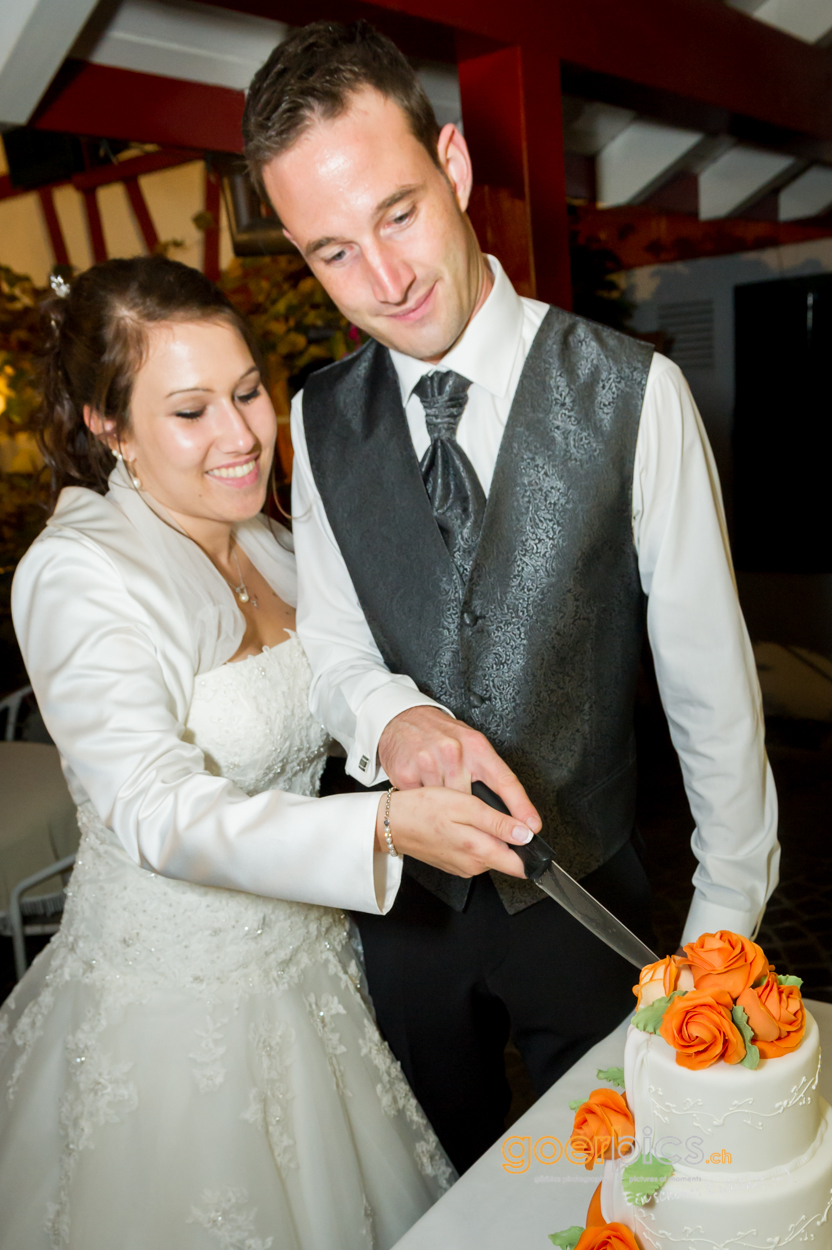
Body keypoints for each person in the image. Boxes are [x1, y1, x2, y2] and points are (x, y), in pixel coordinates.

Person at [243, 21, 780, 1173]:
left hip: (591, 915)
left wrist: (719, 937)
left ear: (454, 163)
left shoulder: (640, 393)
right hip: (404, 919)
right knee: (436, 1185)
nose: (381, 282)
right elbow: (335, 644)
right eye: (331, 252)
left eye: (396, 214)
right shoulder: (316, 414)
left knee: (618, 1188)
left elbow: (711, 697)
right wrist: (396, 719)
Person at [0, 255, 538, 1249]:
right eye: (192, 410)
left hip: (313, 969)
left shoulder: (270, 535)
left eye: (248, 391)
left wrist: (403, 731)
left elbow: (333, 685)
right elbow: (155, 810)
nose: (245, 434)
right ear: (105, 425)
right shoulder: (78, 575)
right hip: (175, 1011)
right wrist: (380, 823)